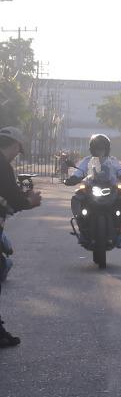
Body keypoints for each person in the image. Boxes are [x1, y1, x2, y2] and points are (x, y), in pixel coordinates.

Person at [0, 126, 43, 347]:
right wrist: (30, 201)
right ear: (15, 145)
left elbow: (8, 197)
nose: (18, 155)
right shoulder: (3, 166)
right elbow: (16, 201)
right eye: (19, 150)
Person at [67, 134, 121, 244]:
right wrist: (72, 179)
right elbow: (79, 172)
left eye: (102, 148)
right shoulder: (87, 161)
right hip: (91, 189)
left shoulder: (112, 161)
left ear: (107, 149)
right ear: (92, 149)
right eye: (97, 148)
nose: (99, 151)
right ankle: (82, 229)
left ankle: (118, 231)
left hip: (110, 188)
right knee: (77, 198)